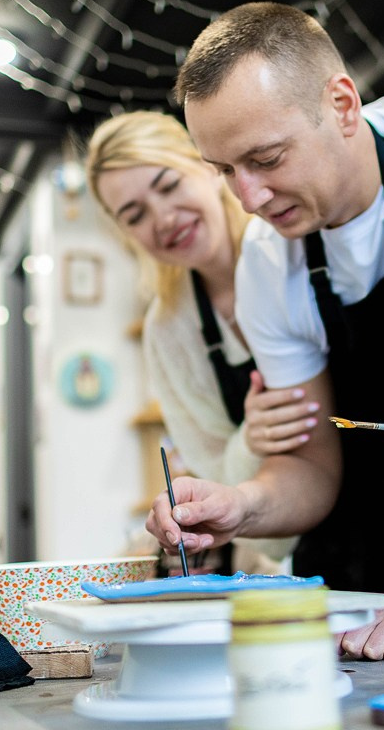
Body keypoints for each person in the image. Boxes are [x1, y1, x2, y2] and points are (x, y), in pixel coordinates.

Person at [144, 2, 384, 659]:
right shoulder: (269, 261)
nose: (249, 199)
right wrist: (240, 504)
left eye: (266, 158)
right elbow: (310, 467)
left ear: (343, 104)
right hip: (378, 565)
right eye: (223, 170)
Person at [86, 111, 318, 573]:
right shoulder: (168, 330)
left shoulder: (293, 247)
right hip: (295, 548)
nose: (164, 218)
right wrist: (250, 439)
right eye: (135, 215)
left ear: (210, 168)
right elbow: (214, 477)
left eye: (169, 186)